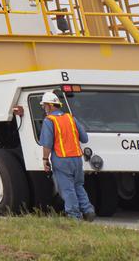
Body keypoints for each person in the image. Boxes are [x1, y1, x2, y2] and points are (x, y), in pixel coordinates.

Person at [39, 91, 95, 221]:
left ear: (50, 105)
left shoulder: (49, 121)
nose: (44, 108)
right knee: (78, 185)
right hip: (77, 159)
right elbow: (84, 138)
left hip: (61, 159)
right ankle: (88, 210)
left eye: (44, 106)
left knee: (67, 189)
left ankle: (74, 216)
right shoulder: (71, 118)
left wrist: (45, 160)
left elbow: (47, 144)